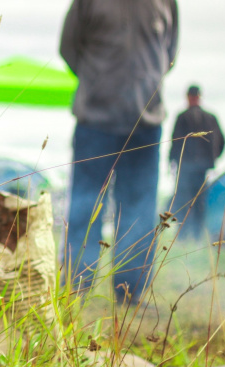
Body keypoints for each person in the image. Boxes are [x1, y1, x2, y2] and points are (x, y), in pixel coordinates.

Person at [60, 0, 179, 304]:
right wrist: (98, 84)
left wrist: (146, 82)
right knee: (84, 208)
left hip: (146, 124)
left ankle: (130, 292)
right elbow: (69, 47)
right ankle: (76, 286)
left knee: (139, 212)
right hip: (95, 122)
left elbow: (170, 53)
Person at [169, 85, 225, 240]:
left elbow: (175, 142)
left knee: (188, 202)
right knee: (196, 203)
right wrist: (212, 159)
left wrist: (172, 162)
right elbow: (222, 142)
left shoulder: (183, 117)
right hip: (197, 168)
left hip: (190, 168)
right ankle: (193, 236)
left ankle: (188, 236)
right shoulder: (210, 117)